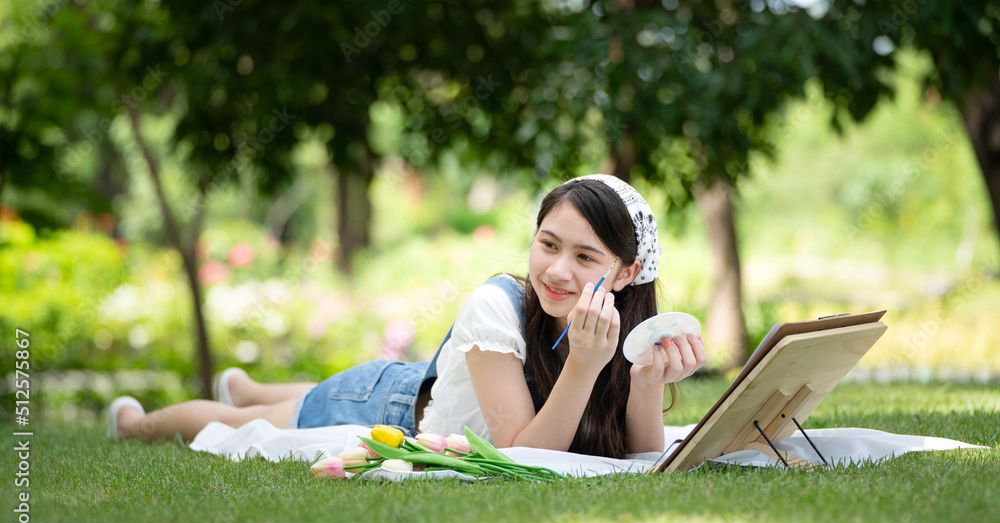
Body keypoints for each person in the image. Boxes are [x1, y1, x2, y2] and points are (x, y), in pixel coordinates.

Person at [108, 174, 707, 457]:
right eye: (548, 245)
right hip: (386, 404)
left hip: (436, 381)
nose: (557, 271)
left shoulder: (619, 326)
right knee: (252, 421)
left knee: (273, 397)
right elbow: (524, 451)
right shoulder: (497, 307)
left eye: (585, 257)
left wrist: (646, 383)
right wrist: (581, 368)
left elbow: (641, 454)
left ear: (627, 272)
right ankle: (138, 424)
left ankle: (247, 385)